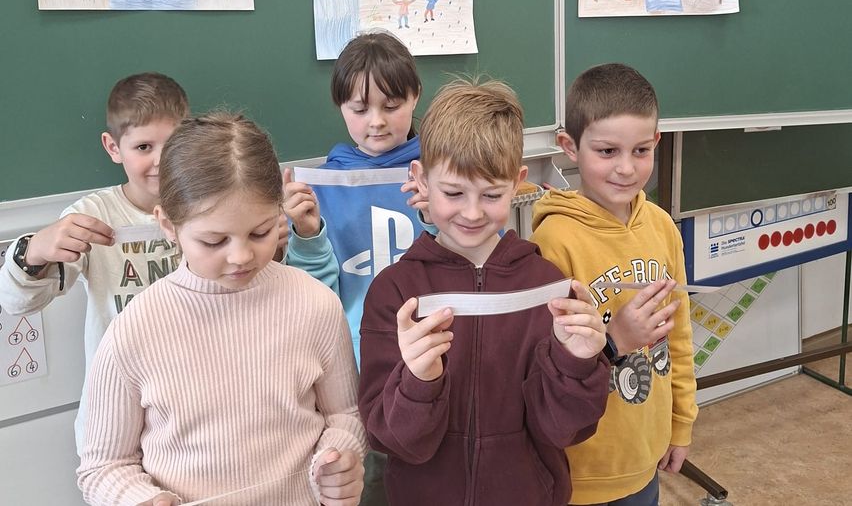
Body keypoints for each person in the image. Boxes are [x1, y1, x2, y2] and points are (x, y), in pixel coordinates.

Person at [78, 113, 367, 506]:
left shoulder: (315, 303)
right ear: (169, 225)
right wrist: (140, 499)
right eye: (213, 241)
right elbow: (103, 466)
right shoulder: (134, 329)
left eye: (261, 232)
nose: (241, 256)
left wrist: (340, 457)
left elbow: (346, 414)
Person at [358, 79, 610, 506]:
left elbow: (562, 431)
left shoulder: (545, 285)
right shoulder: (396, 293)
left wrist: (578, 361)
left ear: (518, 183)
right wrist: (419, 381)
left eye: (491, 195)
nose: (472, 213)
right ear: (420, 178)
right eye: (453, 193)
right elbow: (395, 441)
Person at [531, 63, 698, 506]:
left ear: (656, 143)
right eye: (607, 152)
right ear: (570, 147)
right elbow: (545, 366)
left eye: (641, 150)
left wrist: (681, 423)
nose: (626, 168)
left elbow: (678, 338)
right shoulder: (553, 241)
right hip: (581, 470)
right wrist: (617, 337)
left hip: (646, 456)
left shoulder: (663, 228)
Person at [0, 72, 189, 452]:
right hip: (117, 416)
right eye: (143, 147)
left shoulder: (206, 207)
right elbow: (17, 301)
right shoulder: (93, 213)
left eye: (172, 145)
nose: (159, 161)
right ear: (113, 147)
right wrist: (33, 250)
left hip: (190, 404)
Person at [283, 30, 431, 506]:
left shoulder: (440, 174)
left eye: (392, 105)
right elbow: (315, 298)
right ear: (339, 108)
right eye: (359, 108)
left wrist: (437, 217)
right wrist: (307, 235)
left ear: (415, 97)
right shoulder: (323, 184)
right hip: (357, 373)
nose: (377, 122)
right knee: (370, 485)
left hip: (432, 362)